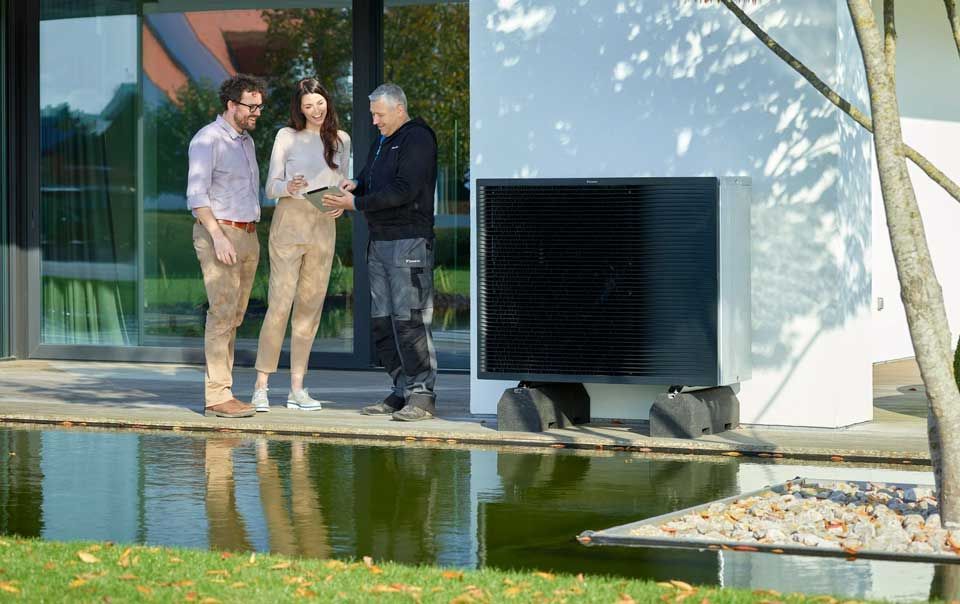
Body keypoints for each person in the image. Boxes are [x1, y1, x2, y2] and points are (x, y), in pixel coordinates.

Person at [323, 83, 438, 422]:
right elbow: (373, 177)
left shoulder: (417, 138)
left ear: (399, 109)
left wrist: (356, 204)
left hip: (409, 240)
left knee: (409, 319)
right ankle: (402, 390)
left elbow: (404, 189)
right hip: (379, 241)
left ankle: (422, 396)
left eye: (379, 114)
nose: (374, 121)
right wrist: (356, 184)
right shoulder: (383, 140)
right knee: (383, 322)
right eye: (373, 114)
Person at [251, 78, 350, 412]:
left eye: (319, 103)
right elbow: (270, 188)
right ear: (300, 109)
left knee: (310, 308)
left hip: (323, 229)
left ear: (327, 102)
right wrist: (288, 187)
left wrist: (341, 203)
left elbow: (341, 185)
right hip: (288, 228)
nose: (316, 110)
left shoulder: (341, 140)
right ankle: (261, 386)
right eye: (308, 106)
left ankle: (297, 388)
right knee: (280, 305)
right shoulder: (286, 136)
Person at [187, 74, 266, 419]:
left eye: (260, 107)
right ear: (232, 104)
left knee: (234, 315)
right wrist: (218, 237)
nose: (257, 113)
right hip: (219, 234)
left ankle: (225, 390)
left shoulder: (246, 142)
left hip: (247, 234)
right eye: (251, 106)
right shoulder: (207, 140)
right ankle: (217, 396)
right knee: (221, 313)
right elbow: (196, 196)